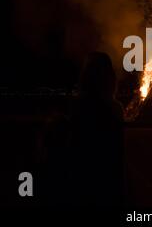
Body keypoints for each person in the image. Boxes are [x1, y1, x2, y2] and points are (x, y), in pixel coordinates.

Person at [42, 52, 124, 206]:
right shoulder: (114, 109)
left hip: (77, 179)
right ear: (110, 78)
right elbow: (116, 151)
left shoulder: (75, 106)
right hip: (106, 182)